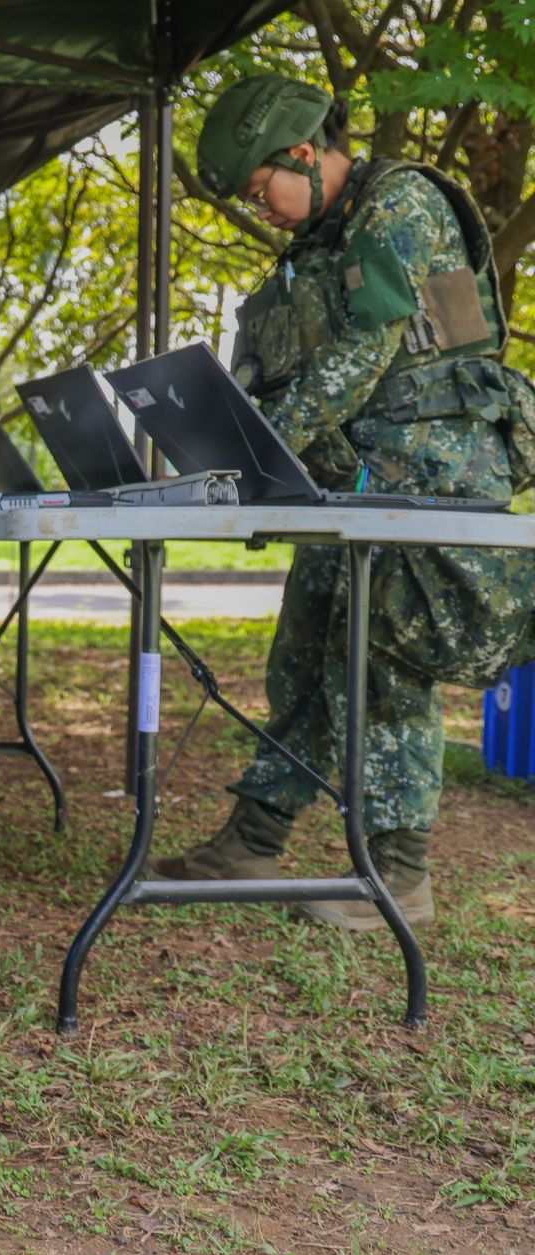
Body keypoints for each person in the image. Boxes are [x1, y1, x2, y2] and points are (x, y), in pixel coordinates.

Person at [157, 75, 534, 928]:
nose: (265, 212)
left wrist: (261, 447)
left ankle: (401, 875)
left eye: (264, 192)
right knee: (303, 651)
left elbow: (365, 351)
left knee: (383, 656)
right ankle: (254, 838)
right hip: (355, 479)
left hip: (435, 477)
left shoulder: (398, 205)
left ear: (302, 153)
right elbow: (280, 365)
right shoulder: (317, 244)